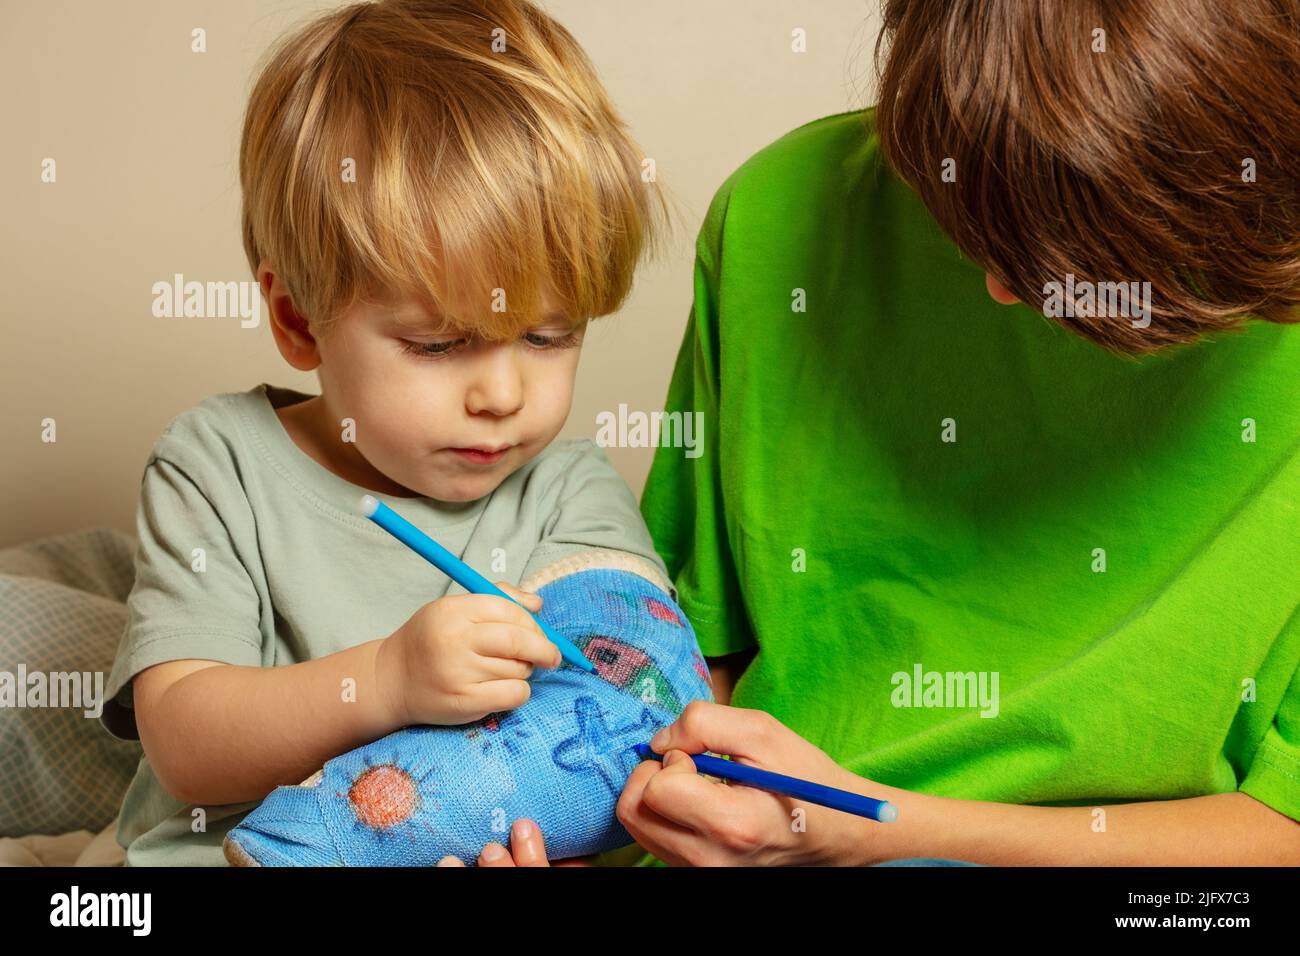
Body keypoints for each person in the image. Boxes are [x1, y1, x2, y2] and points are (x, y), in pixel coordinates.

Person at [626, 0, 1300, 864]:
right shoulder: (775, 217)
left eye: (1093, 253)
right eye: (968, 221)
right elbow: (689, 659)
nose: (1002, 289)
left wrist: (867, 831)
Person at [98, 0, 709, 866]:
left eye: (548, 335)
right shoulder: (218, 464)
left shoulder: (568, 487)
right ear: (298, 320)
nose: (502, 393)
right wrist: (384, 681)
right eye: (439, 344)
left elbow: (620, 703)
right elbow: (185, 746)